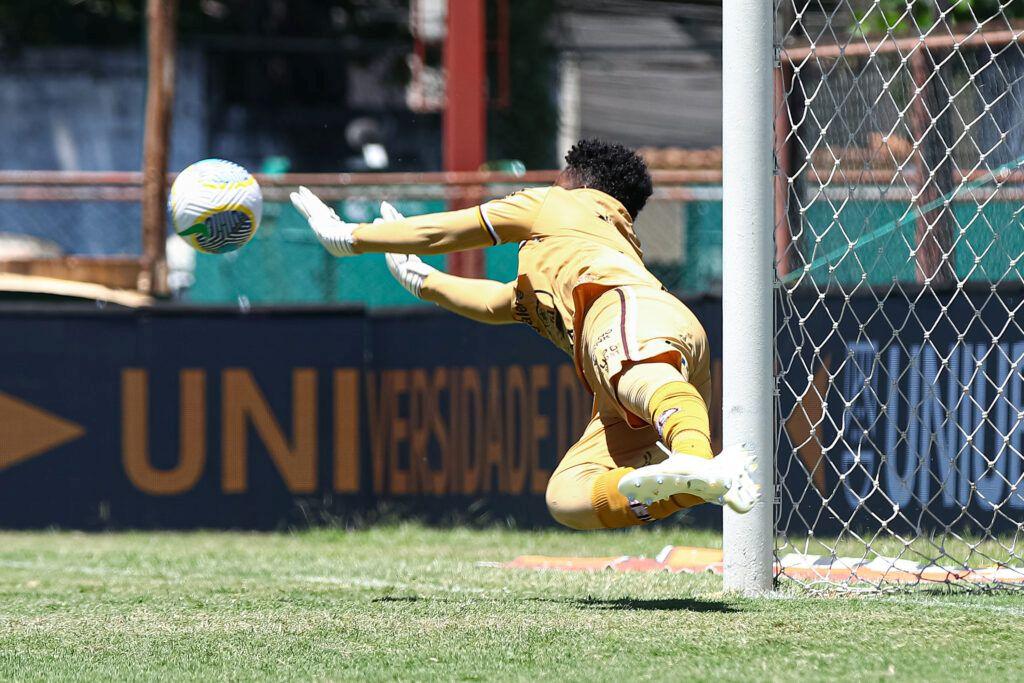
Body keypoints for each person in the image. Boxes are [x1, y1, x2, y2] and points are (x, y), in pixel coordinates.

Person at [291, 139, 755, 529]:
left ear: (574, 180)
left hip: (629, 321)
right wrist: (423, 281)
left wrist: (352, 237)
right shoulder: (586, 247)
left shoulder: (557, 203)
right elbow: (500, 304)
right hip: (660, 339)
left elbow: (445, 231)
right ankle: (692, 483)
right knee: (569, 497)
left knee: (643, 383)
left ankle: (695, 458)